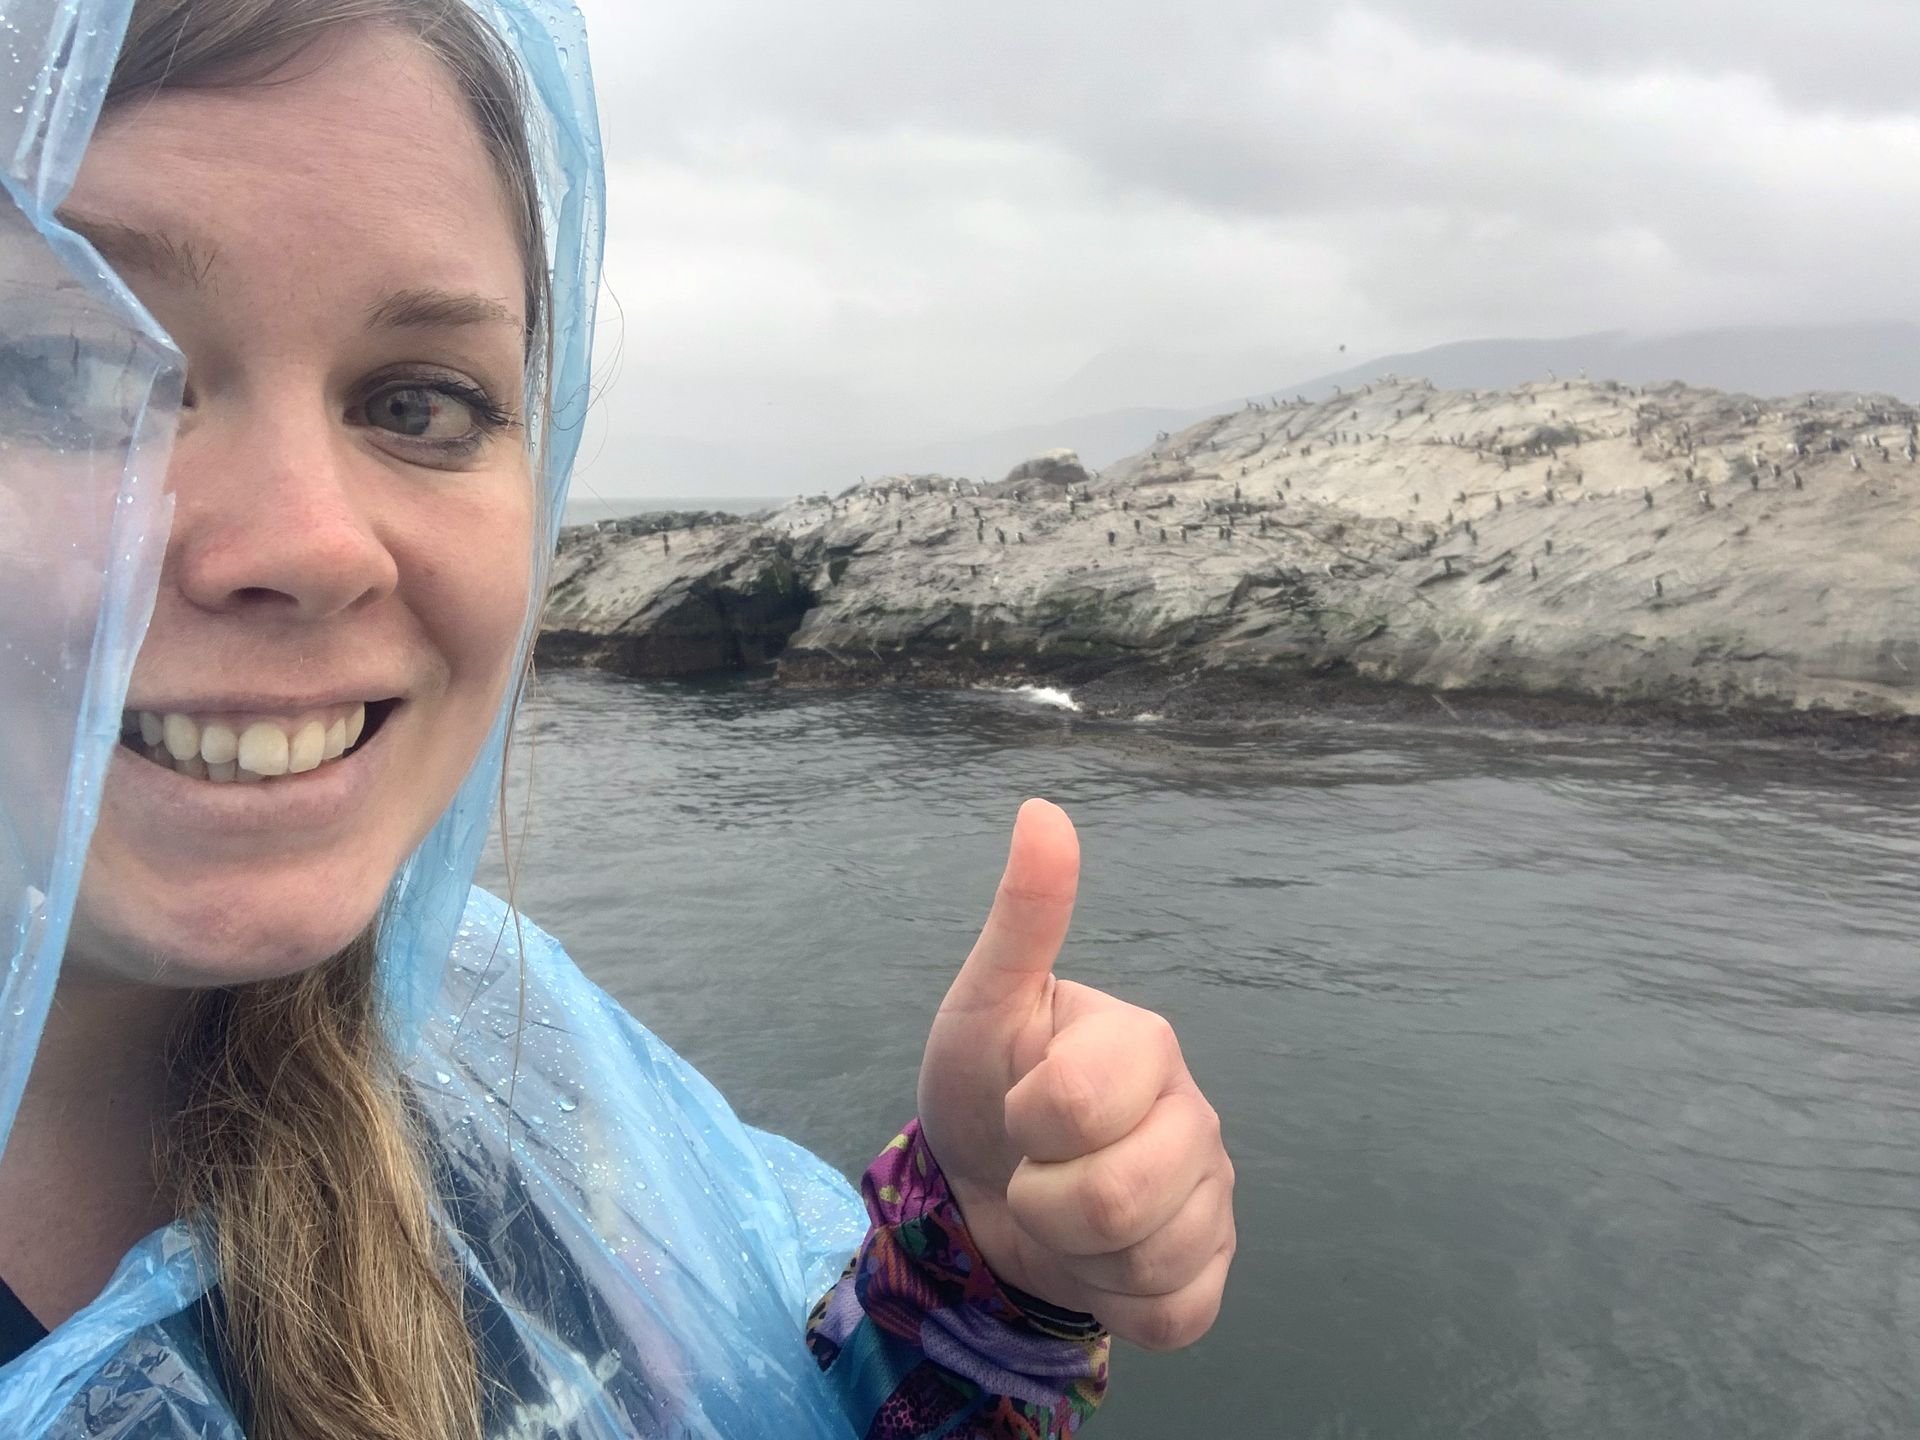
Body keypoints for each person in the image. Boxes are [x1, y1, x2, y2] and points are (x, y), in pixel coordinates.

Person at [0, 2, 1234, 1438]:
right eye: (77, 371)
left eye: (418, 401)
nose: (314, 542)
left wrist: (977, 1277)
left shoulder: (490, 1051)